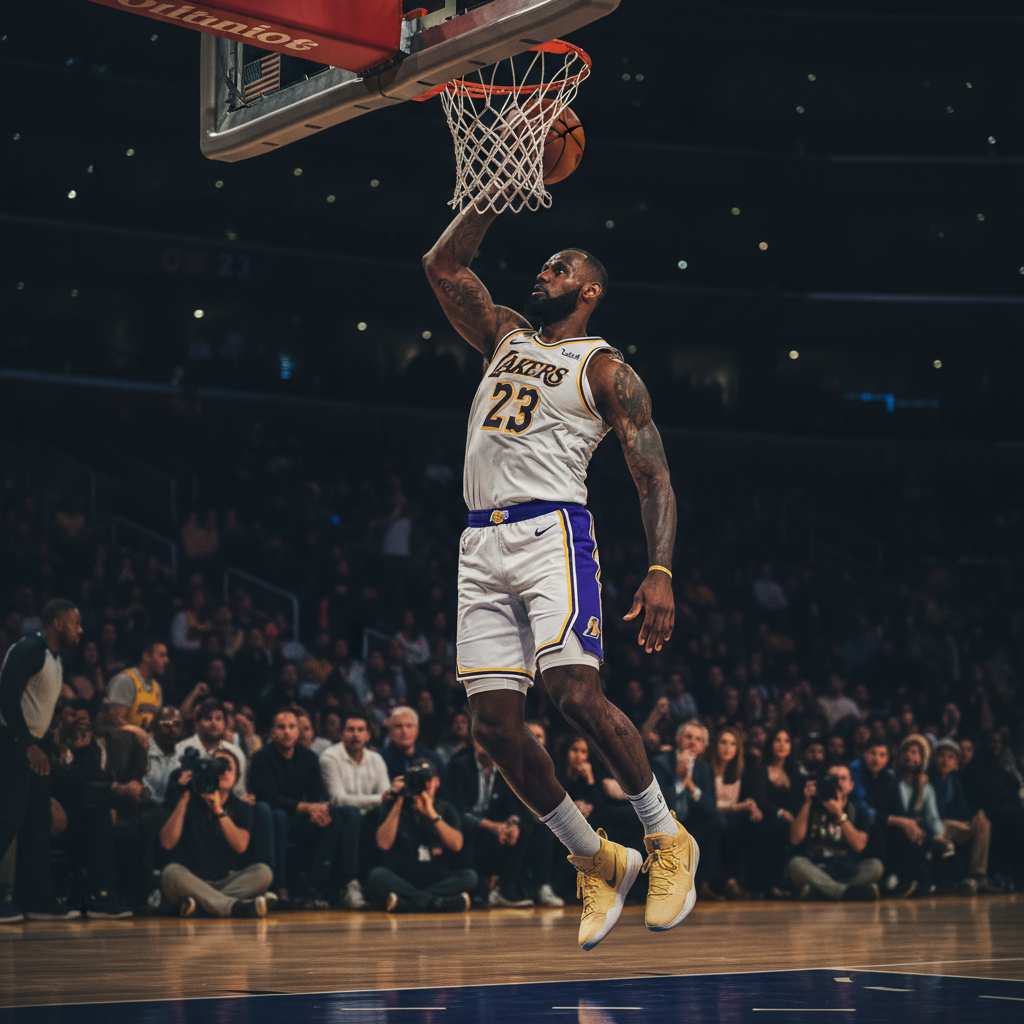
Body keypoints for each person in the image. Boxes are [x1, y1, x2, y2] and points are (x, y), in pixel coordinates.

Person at [422, 204, 694, 951]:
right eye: (543, 264)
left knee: (573, 692)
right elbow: (443, 269)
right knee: (493, 729)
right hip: (479, 542)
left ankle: (668, 838)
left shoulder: (607, 369)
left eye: (561, 267)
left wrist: (661, 570)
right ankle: (596, 858)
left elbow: (655, 478)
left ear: (590, 292)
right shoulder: (503, 333)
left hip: (552, 533)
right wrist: (491, 192)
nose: (544, 272)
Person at [0, 598, 84, 922]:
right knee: (8, 820)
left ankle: (37, 901)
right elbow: (6, 696)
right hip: (11, 744)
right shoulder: (29, 649)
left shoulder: (54, 658)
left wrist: (57, 725)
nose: (81, 630)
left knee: (37, 824)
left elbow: (34, 703)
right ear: (58, 623)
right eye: (76, 623)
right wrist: (25, 743)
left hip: (33, 745)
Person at [158, 749, 270, 918]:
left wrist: (218, 809)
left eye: (229, 768)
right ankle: (234, 906)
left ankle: (202, 906)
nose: (224, 772)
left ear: (237, 778)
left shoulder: (241, 807)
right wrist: (184, 797)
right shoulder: (186, 797)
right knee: (170, 873)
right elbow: (167, 842)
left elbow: (240, 846)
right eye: (218, 766)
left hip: (223, 880)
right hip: (189, 880)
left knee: (263, 873)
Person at [248, 708, 343, 906]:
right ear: (272, 732)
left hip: (298, 818)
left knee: (334, 817)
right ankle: (279, 886)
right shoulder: (261, 758)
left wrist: (319, 810)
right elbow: (271, 798)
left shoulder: (308, 757)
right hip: (271, 819)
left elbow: (320, 794)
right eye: (281, 727)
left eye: (292, 727)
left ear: (299, 732)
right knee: (279, 815)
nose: (287, 732)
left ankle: (317, 882)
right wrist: (307, 807)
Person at [368, 757, 477, 913]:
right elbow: (384, 843)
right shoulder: (392, 805)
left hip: (436, 878)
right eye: (416, 779)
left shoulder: (445, 808)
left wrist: (432, 813)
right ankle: (438, 903)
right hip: (402, 878)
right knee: (377, 876)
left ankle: (409, 903)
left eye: (427, 779)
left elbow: (456, 844)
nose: (422, 784)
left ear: (436, 782)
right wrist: (399, 800)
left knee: (470, 877)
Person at [449, 740, 534, 908]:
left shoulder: (505, 768)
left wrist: (513, 823)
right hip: (466, 821)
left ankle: (504, 889)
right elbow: (457, 808)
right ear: (474, 742)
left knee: (525, 827)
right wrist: (493, 826)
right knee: (472, 828)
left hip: (495, 823)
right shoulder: (459, 766)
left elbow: (512, 803)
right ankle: (478, 890)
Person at [320, 712, 391, 909]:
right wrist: (379, 799)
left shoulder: (376, 759)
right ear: (341, 734)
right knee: (352, 815)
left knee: (386, 814)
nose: (355, 735)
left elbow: (388, 797)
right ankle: (350, 882)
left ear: (368, 735)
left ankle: (382, 884)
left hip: (368, 817)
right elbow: (338, 799)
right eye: (350, 730)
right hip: (339, 817)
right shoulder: (330, 757)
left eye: (361, 730)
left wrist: (382, 799)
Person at [787, 764, 883, 901]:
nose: (838, 782)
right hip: (816, 867)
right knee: (795, 864)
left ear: (851, 786)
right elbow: (795, 839)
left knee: (875, 867)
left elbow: (859, 845)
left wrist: (839, 815)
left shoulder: (858, 811)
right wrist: (808, 802)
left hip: (846, 870)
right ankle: (846, 893)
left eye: (843, 778)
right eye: (833, 778)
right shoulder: (811, 806)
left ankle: (819, 892)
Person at [105, 637, 169, 730]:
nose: (167, 660)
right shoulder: (125, 680)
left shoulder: (157, 687)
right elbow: (114, 719)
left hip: (144, 742)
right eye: (162, 655)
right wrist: (137, 732)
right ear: (146, 656)